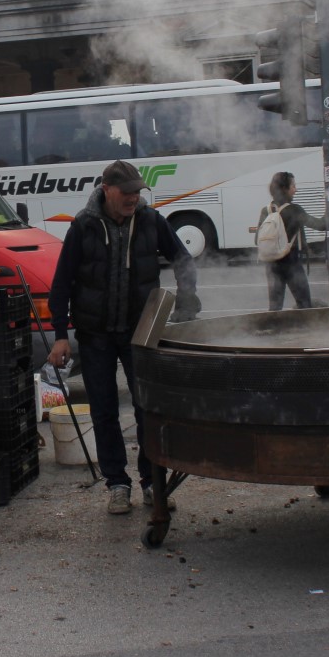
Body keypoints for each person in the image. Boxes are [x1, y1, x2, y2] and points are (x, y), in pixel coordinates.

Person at [47, 159, 200, 515]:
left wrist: (186, 299)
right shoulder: (83, 226)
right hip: (95, 334)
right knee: (104, 412)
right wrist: (59, 335)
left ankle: (151, 482)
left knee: (148, 408)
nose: (134, 198)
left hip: (140, 333)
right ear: (107, 190)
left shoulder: (150, 221)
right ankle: (117, 483)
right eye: (128, 192)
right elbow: (62, 283)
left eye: (138, 192)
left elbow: (183, 259)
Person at [259, 171, 329, 311]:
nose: (295, 190)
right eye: (293, 186)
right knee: (304, 304)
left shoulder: (266, 210)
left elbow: (258, 239)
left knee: (275, 306)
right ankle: (304, 331)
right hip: (291, 263)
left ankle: (274, 330)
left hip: (271, 265)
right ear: (285, 188)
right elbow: (321, 225)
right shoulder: (294, 210)